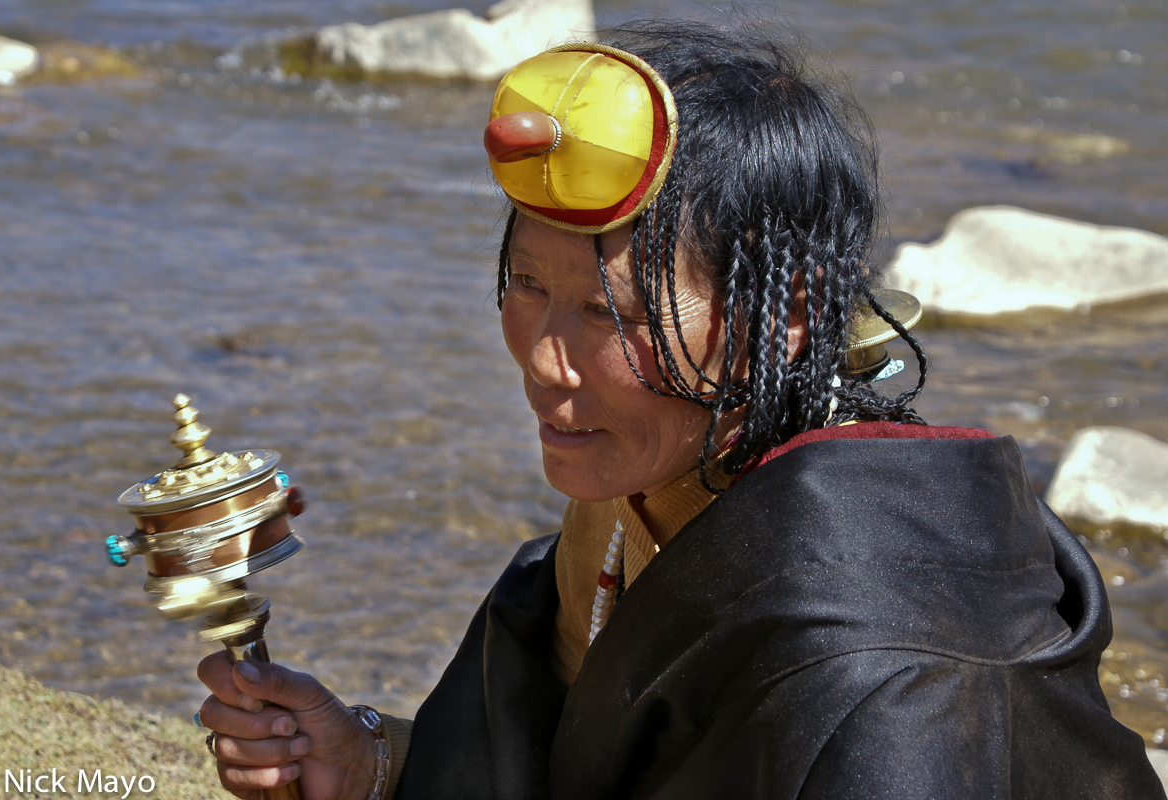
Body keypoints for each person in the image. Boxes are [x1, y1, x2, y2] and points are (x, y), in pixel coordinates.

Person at [196, 20, 1164, 800]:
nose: (542, 358)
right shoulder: (644, 489)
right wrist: (369, 761)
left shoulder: (889, 670)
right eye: (526, 283)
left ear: (779, 319)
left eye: (605, 311)